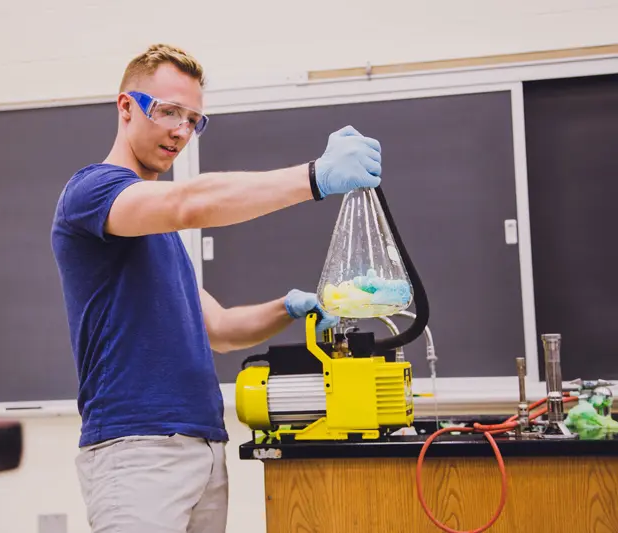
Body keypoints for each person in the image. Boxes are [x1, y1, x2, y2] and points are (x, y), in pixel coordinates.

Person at [50, 43, 383, 533]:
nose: (181, 130)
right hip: (136, 449)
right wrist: (315, 177)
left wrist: (291, 307)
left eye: (194, 119)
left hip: (204, 448)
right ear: (126, 107)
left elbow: (221, 330)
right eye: (168, 112)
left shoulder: (157, 234)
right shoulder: (92, 194)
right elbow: (191, 202)